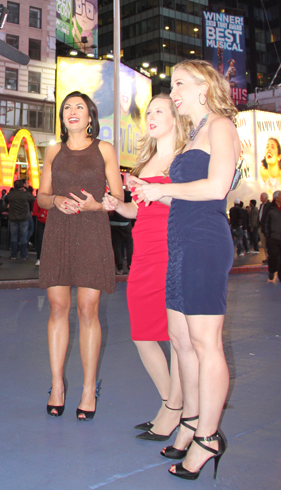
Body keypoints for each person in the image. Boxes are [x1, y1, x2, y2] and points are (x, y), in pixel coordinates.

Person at [132, 60, 239, 480]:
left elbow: (215, 188)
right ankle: (191, 422)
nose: (171, 92)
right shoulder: (195, 133)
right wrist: (150, 193)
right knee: (182, 341)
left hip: (204, 242)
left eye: (179, 84)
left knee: (205, 343)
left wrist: (163, 188)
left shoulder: (221, 127)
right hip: (179, 243)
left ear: (203, 86)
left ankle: (207, 439)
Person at [103, 95, 188, 441]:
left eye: (158, 111)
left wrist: (154, 191)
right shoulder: (146, 160)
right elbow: (140, 210)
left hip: (174, 248)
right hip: (145, 251)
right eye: (148, 111)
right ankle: (173, 404)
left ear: (175, 117)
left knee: (178, 337)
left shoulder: (184, 159)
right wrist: (118, 205)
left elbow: (191, 201)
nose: (151, 116)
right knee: (142, 334)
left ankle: (174, 410)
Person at [37, 91, 123, 420]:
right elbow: (42, 197)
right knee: (58, 308)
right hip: (59, 232)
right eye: (67, 108)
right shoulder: (54, 150)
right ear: (63, 117)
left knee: (88, 310)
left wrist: (95, 204)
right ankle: (57, 384)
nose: (73, 112)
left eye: (80, 108)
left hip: (92, 231)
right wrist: (56, 199)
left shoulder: (104, 149)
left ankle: (88, 388)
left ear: (90, 117)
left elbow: (117, 196)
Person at [5, 179, 33, 260]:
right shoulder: (25, 194)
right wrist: (26, 191)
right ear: (22, 186)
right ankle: (23, 255)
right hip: (24, 218)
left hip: (13, 218)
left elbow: (5, 199)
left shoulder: (10, 194)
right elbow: (32, 198)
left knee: (14, 236)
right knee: (23, 237)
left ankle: (13, 254)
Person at [264, 193, 281, 282]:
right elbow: (264, 222)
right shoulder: (270, 209)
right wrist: (267, 234)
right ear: (276, 198)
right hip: (273, 238)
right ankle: (272, 271)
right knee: (274, 256)